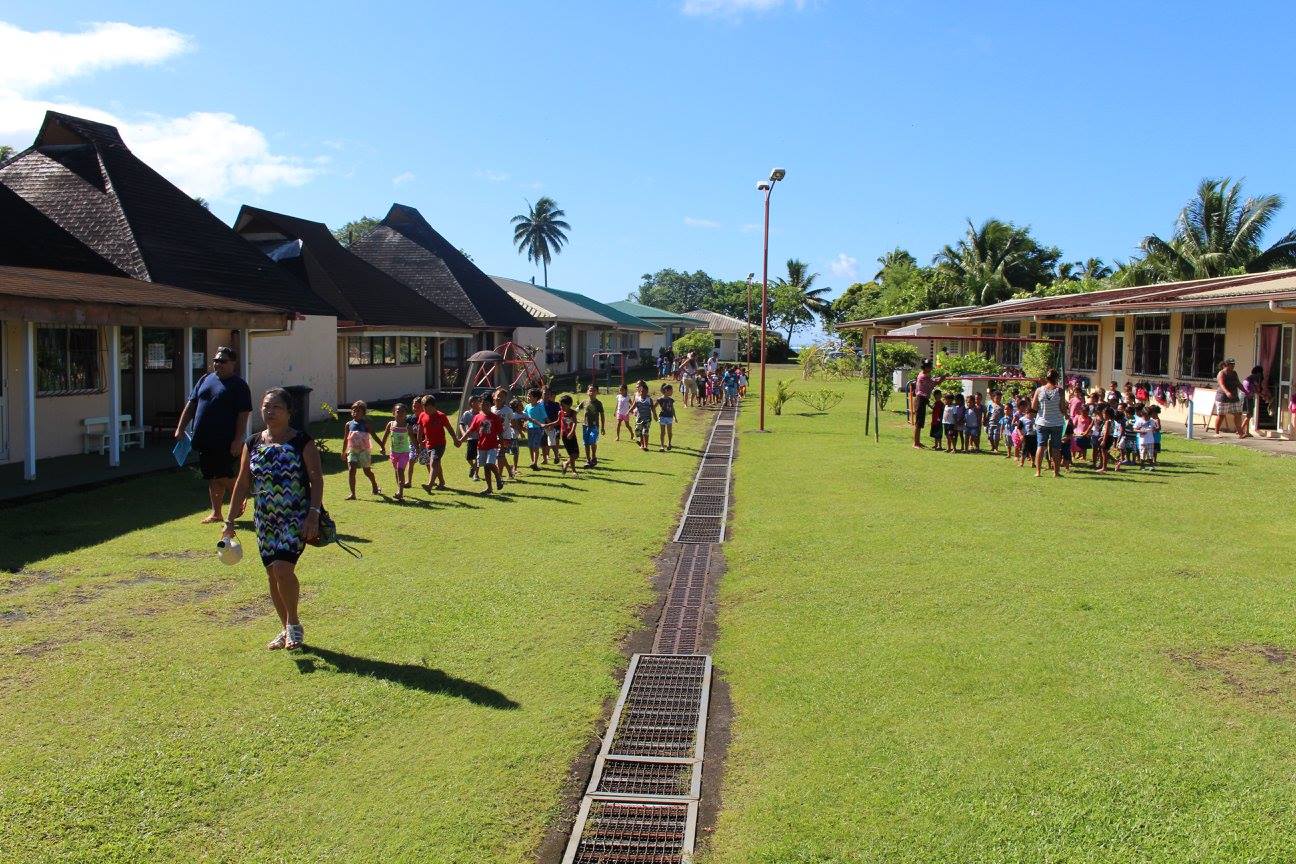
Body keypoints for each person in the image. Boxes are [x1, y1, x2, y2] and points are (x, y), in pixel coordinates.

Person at [224, 387, 322, 651]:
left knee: (282, 570)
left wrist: (313, 514)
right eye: (266, 406)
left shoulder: (302, 441)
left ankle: (294, 625)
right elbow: (242, 483)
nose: (269, 411)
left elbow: (316, 479)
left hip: (295, 517)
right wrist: (229, 522)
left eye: (276, 406)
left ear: (289, 411)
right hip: (265, 519)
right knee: (271, 574)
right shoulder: (253, 442)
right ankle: (285, 628)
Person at [174, 346, 252, 524]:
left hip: (224, 439)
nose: (218, 364)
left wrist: (238, 439)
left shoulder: (239, 385)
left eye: (222, 361)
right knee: (211, 476)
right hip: (203, 439)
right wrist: (180, 427)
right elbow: (191, 404)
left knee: (223, 474)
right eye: (216, 360)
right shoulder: (205, 379)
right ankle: (216, 513)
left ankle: (239, 497)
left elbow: (243, 414)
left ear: (233, 363)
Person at [465, 393, 504, 494]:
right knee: (486, 468)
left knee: (489, 463)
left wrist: (502, 444)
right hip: (481, 446)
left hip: (493, 446)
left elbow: (500, 432)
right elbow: (470, 430)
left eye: (486, 404)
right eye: (482, 404)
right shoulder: (477, 417)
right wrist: (461, 439)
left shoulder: (495, 417)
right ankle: (489, 488)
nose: (484, 406)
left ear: (491, 405)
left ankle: (498, 477)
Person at [418, 396, 459, 491]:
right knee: (437, 464)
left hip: (439, 445)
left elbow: (449, 428)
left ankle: (429, 485)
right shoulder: (422, 415)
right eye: (423, 407)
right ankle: (441, 482)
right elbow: (420, 429)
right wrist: (420, 441)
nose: (424, 410)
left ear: (433, 406)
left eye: (426, 408)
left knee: (433, 463)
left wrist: (455, 439)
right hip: (429, 445)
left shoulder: (441, 416)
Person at [1031, 369, 1066, 478]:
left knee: (1041, 446)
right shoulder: (1060, 391)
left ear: (1047, 378)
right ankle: (1056, 472)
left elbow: (1034, 407)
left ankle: (1038, 472)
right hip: (1056, 423)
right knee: (1056, 448)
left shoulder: (1039, 390)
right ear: (1056, 378)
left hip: (1042, 422)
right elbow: (1062, 408)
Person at [344, 400, 381, 499]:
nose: (355, 413)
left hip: (364, 451)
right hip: (352, 450)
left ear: (363, 413)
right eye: (353, 410)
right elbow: (345, 439)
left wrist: (382, 445)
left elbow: (374, 435)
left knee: (367, 471)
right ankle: (353, 493)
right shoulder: (348, 424)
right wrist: (343, 451)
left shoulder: (366, 424)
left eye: (358, 411)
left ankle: (374, 485)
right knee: (352, 470)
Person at [379, 403, 412, 501]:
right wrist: (382, 447)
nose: (400, 413)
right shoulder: (391, 424)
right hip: (394, 453)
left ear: (406, 413)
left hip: (404, 453)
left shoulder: (407, 426)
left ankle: (400, 493)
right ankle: (399, 489)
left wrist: (417, 448)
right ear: (393, 413)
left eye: (403, 412)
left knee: (400, 470)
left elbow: (413, 439)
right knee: (397, 471)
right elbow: (384, 437)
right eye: (398, 411)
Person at [911, 359, 941, 449]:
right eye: (929, 367)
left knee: (920, 422)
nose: (931, 368)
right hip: (920, 400)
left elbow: (932, 381)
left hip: (922, 399)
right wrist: (943, 377)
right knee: (918, 423)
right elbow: (935, 383)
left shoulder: (924, 374)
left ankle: (918, 442)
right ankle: (915, 443)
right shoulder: (923, 376)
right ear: (925, 367)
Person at [492, 389, 519, 480]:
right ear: (494, 397)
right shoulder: (491, 409)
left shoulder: (508, 410)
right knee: (501, 456)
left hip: (505, 437)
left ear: (505, 399)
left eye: (502, 396)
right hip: (494, 437)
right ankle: (509, 469)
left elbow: (513, 422)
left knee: (500, 455)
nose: (499, 397)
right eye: (498, 395)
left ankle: (499, 476)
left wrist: (516, 432)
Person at [579, 385, 605, 467]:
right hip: (585, 426)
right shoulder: (584, 402)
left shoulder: (598, 403)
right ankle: (588, 460)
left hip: (594, 427)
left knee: (592, 442)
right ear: (587, 391)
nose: (591, 392)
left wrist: (603, 427)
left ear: (597, 392)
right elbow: (576, 410)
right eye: (590, 390)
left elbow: (602, 415)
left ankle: (594, 456)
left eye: (594, 390)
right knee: (586, 443)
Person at [524, 388, 549, 469]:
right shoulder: (527, 406)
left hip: (538, 429)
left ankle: (535, 463)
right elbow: (524, 416)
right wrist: (524, 423)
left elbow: (545, 418)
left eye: (529, 396)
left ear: (535, 398)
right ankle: (533, 462)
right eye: (527, 395)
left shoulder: (540, 407)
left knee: (535, 446)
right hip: (530, 429)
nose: (527, 397)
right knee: (531, 446)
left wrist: (549, 425)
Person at [460, 395, 482, 478]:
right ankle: (473, 467)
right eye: (477, 401)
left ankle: (476, 474)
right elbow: (461, 424)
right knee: (469, 457)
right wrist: (463, 433)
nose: (479, 403)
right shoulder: (467, 414)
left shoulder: (481, 414)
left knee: (478, 456)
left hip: (480, 438)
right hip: (470, 438)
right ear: (472, 403)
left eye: (479, 401)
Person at [630, 381, 656, 451]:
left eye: (638, 385)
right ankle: (642, 444)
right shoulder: (636, 395)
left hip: (647, 418)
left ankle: (645, 446)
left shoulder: (649, 399)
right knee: (638, 431)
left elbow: (653, 407)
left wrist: (655, 415)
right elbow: (633, 404)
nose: (637, 386)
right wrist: (631, 411)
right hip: (639, 416)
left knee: (645, 431)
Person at [541, 387, 562, 463]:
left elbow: (559, 416)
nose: (546, 395)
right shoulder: (539, 405)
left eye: (548, 394)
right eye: (545, 393)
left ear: (550, 395)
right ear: (542, 394)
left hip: (552, 427)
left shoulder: (555, 405)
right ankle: (545, 459)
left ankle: (556, 457)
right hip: (542, 426)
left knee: (553, 443)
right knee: (543, 444)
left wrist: (553, 425)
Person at [656, 383, 677, 451]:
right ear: (666, 391)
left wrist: (675, 417)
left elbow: (672, 409)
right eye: (671, 391)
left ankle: (669, 443)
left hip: (669, 417)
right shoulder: (660, 399)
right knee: (662, 432)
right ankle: (662, 446)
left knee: (669, 432)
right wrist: (654, 415)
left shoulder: (671, 400)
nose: (672, 392)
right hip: (662, 417)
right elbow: (654, 406)